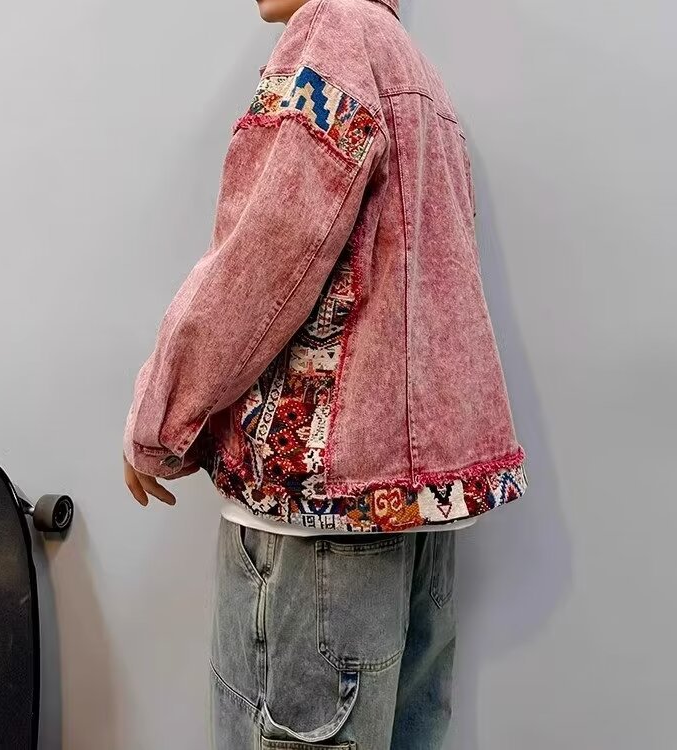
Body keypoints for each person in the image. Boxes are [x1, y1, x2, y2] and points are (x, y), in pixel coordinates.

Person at [122, 0, 528, 747]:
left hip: (315, 531)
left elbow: (265, 257)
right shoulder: (415, 70)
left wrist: (160, 418)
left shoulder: (333, 35)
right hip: (411, 520)